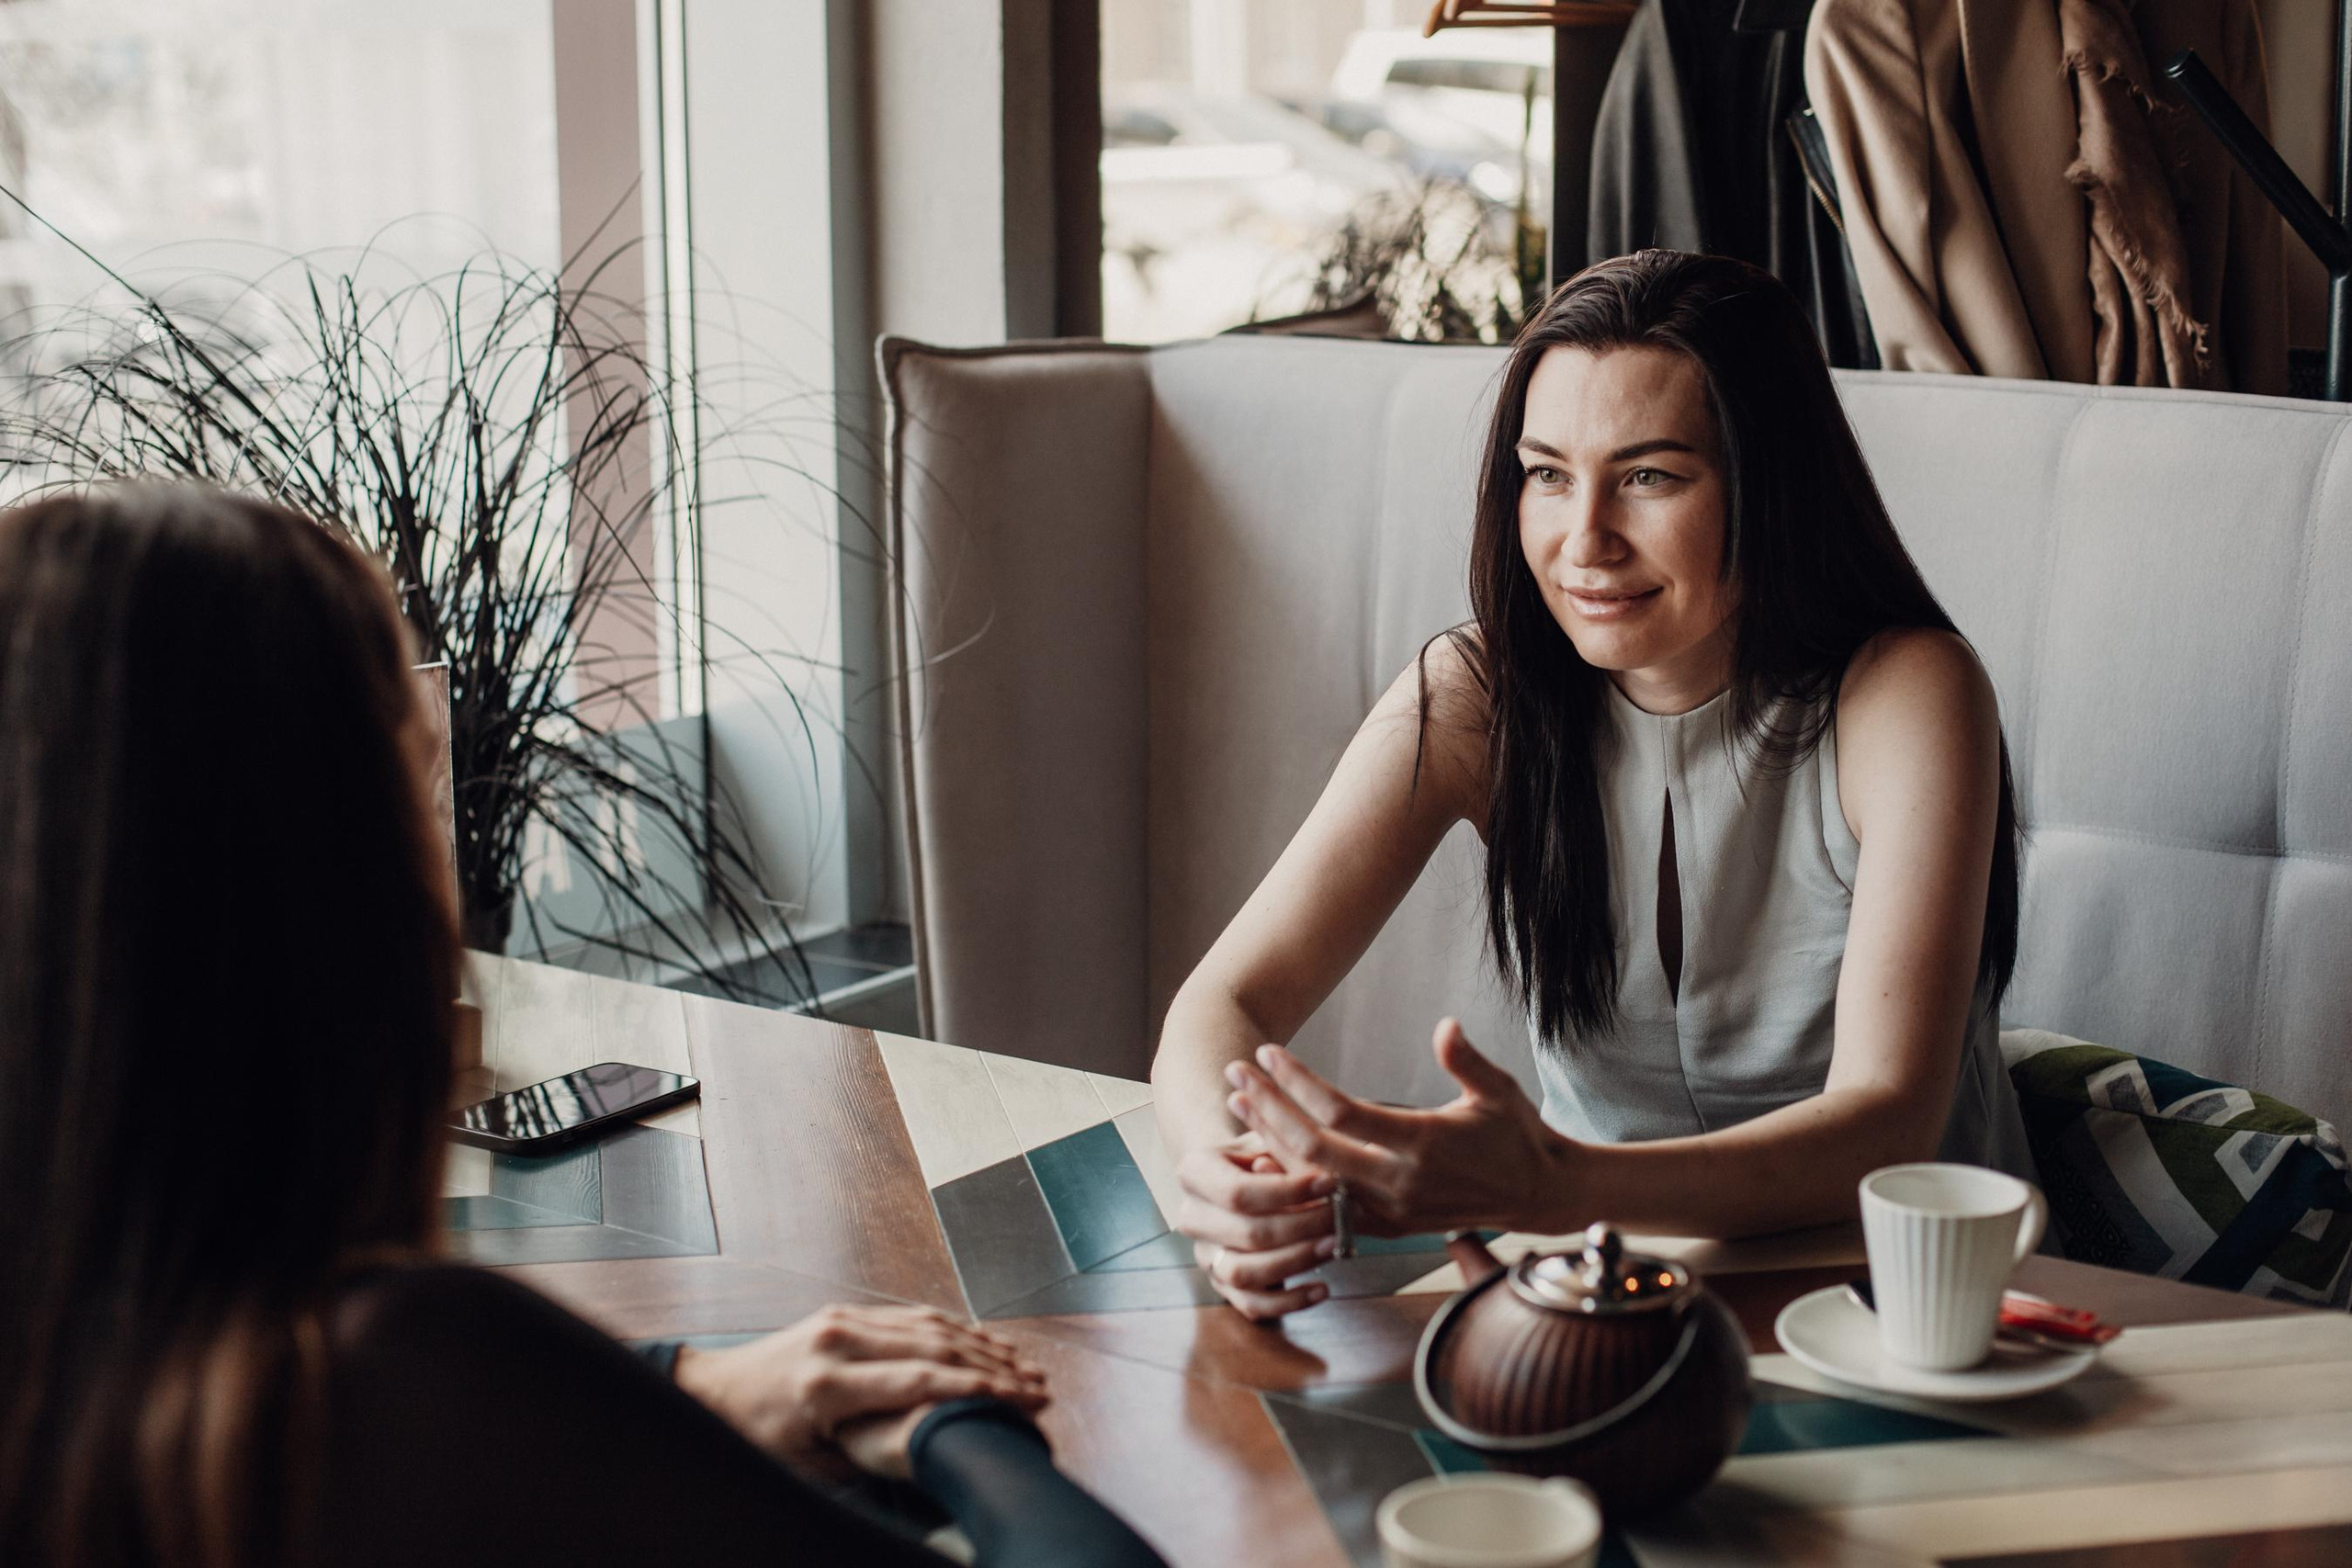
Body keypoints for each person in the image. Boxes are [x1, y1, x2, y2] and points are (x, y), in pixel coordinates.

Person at [0, 484, 1166, 1568]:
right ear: (332, 890)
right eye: (416, 781)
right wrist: (953, 1428)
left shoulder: (96, 1366)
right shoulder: (373, 1379)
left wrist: (680, 1390)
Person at [1152, 249, 2034, 1321]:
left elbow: (1884, 1126)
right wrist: (1225, 1178)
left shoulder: (1904, 690)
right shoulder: (1474, 694)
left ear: (1771, 486)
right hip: (1600, 1297)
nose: (1584, 542)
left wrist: (1549, 1185)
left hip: (1918, 1303)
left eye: (1649, 477)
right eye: (1547, 475)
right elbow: (1221, 1006)